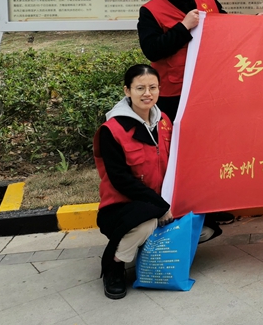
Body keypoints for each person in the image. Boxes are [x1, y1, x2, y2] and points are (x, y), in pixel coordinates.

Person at [93, 64, 222, 300]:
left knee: (204, 228)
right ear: (127, 90)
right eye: (140, 88)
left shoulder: (163, 120)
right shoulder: (112, 131)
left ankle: (149, 250)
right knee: (147, 223)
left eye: (152, 87)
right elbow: (121, 181)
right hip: (123, 206)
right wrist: (161, 208)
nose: (147, 93)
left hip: (161, 202)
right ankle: (114, 263)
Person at [138, 0, 225, 123]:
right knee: (175, 135)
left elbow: (228, 30)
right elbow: (152, 50)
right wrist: (184, 27)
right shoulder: (150, 10)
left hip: (208, 84)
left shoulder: (209, 0)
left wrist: (255, 21)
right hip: (173, 92)